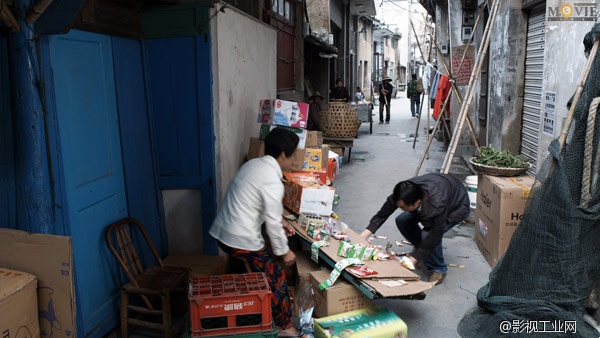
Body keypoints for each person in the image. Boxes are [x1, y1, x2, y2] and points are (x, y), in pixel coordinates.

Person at [209, 127, 300, 336]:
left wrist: (282, 222)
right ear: (283, 154)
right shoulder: (273, 180)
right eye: (294, 155)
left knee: (256, 265)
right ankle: (286, 328)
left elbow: (259, 206)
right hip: (239, 239)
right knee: (276, 276)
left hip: (223, 233)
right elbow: (273, 223)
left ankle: (250, 310)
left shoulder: (253, 165)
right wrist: (284, 252)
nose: (294, 160)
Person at [360, 173, 470, 286]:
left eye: (403, 207)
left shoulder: (437, 204)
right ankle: (423, 251)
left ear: (417, 202)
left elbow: (435, 234)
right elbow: (382, 214)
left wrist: (413, 258)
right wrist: (364, 235)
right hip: (436, 194)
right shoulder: (404, 193)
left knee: (427, 234)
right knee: (402, 220)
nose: (400, 208)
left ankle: (438, 268)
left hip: (456, 206)